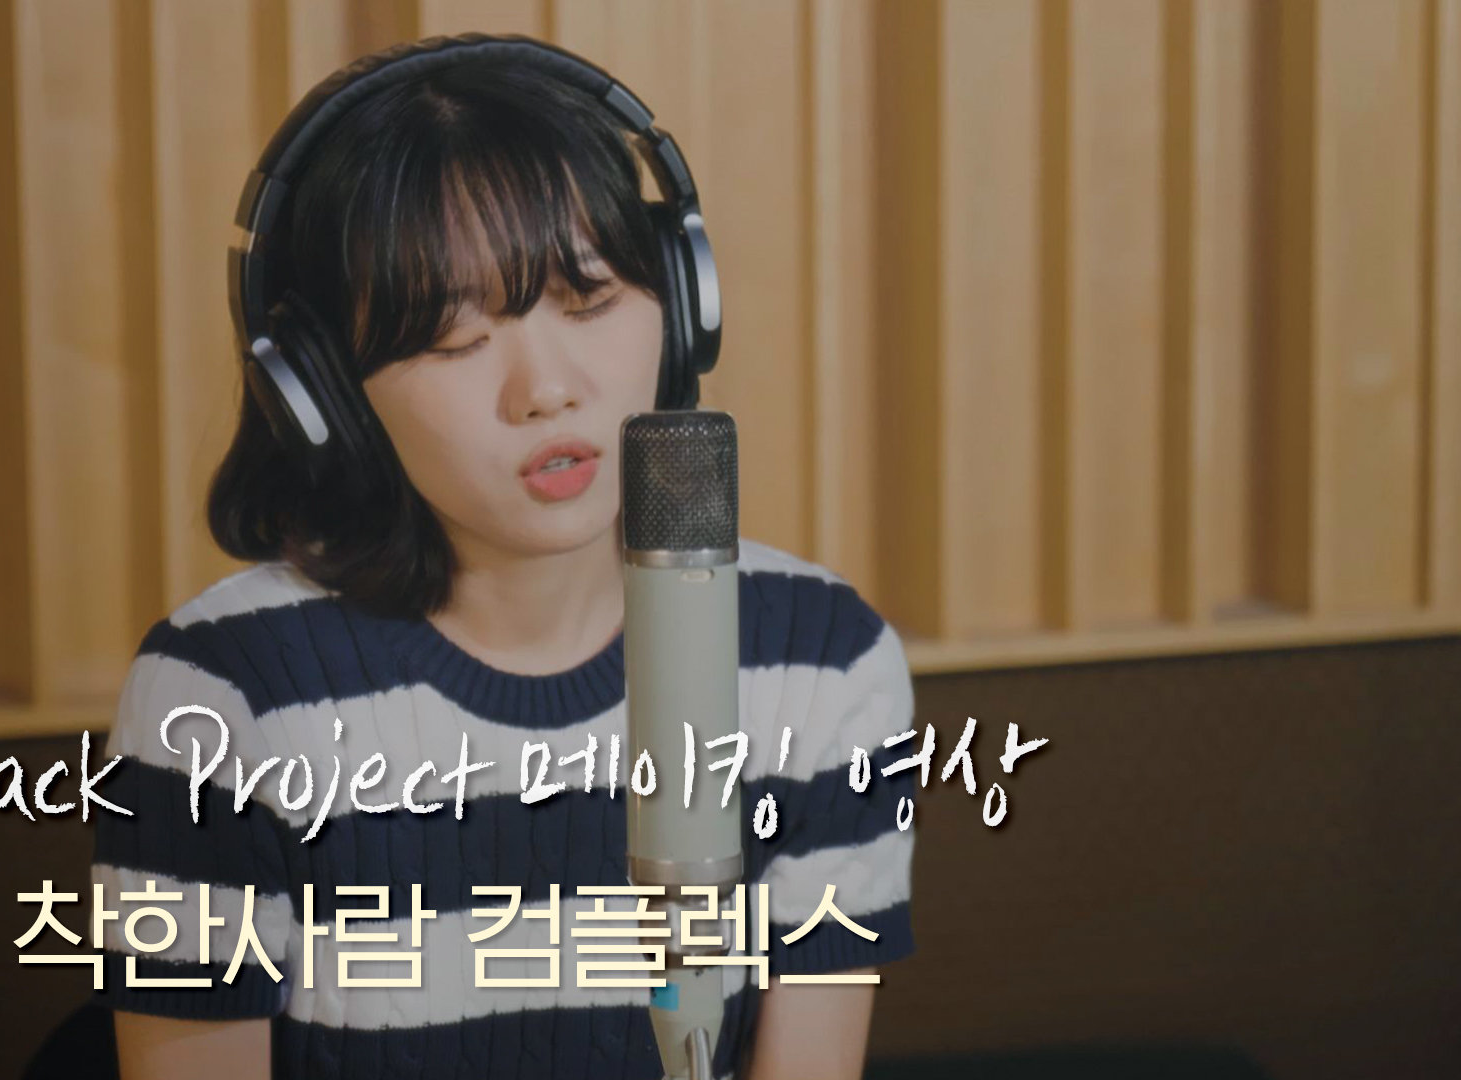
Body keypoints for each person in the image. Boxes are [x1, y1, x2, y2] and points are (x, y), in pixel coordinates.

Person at [90, 35, 917, 1080]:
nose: (546, 391)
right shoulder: (223, 696)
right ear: (325, 394)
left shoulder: (822, 664)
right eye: (452, 338)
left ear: (684, 307)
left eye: (589, 301)